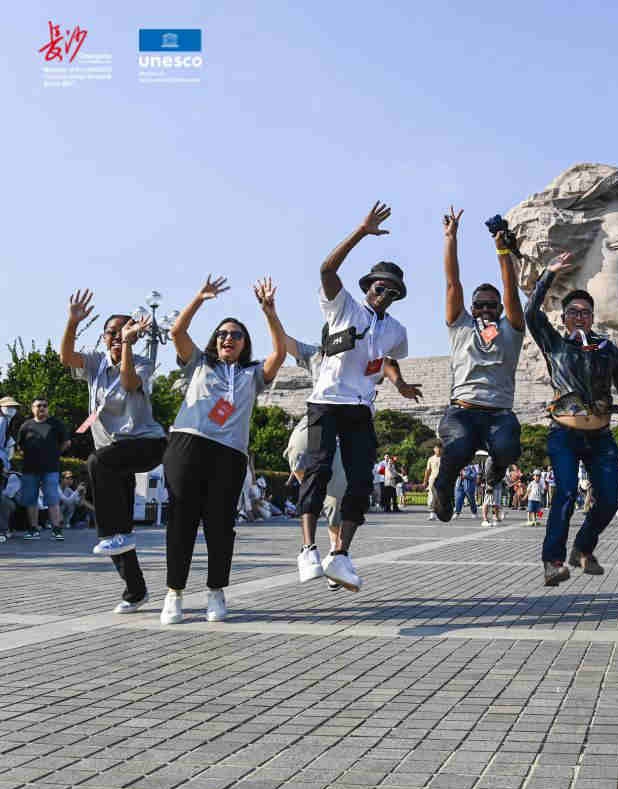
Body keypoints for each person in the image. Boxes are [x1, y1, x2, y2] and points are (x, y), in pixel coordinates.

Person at [159, 276, 287, 624]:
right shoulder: (200, 363)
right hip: (188, 444)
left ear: (245, 343)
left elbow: (280, 353)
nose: (228, 338)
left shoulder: (252, 374)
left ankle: (216, 591)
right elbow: (176, 333)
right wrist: (199, 298)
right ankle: (174, 593)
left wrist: (270, 313)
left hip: (229, 453)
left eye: (236, 335)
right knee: (182, 521)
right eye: (222, 334)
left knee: (219, 525)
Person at [297, 202, 409, 591]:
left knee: (360, 483)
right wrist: (361, 232)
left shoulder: (395, 328)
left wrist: (399, 383)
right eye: (381, 287)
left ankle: (340, 555)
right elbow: (327, 270)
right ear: (368, 287)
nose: (386, 294)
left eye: (393, 292)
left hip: (361, 409)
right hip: (327, 401)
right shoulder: (344, 306)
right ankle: (308, 549)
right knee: (318, 470)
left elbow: (386, 360)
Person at [525, 251, 618, 586]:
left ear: (593, 318)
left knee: (608, 497)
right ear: (564, 318)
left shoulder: (606, 349)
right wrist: (547, 275)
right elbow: (531, 313)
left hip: (601, 435)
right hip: (564, 432)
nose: (580, 317)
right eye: (573, 312)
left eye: (586, 313)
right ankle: (552, 561)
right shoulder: (554, 345)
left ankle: (583, 547)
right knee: (564, 493)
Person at [60, 291, 168, 612]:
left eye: (124, 331)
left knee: (97, 463)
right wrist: (72, 321)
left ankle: (110, 533)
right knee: (119, 533)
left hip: (145, 445)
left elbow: (129, 381)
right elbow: (67, 357)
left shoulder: (144, 361)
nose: (117, 337)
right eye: (112, 333)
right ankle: (135, 589)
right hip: (112, 459)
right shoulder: (94, 362)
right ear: (104, 337)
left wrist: (130, 347)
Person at [429, 207, 526, 522]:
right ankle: (443, 486)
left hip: (499, 413)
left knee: (509, 447)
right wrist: (450, 239)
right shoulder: (460, 326)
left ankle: (495, 470)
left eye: (491, 305)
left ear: (499, 308)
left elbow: (511, 289)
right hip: (463, 411)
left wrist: (501, 250)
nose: (485, 309)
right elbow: (452, 283)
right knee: (458, 449)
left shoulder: (511, 330)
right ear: (471, 308)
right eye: (479, 304)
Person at [16, 398, 71, 541]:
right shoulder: (26, 425)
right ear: (32, 408)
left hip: (50, 469)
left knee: (53, 499)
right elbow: (19, 447)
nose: (42, 408)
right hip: (29, 469)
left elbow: (66, 443)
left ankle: (57, 530)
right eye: (38, 405)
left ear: (48, 408)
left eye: (45, 406)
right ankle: (33, 530)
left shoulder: (56, 424)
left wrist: (54, 454)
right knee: (31, 500)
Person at [422, 444, 443, 520]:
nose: (438, 450)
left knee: (440, 497)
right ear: (434, 449)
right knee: (432, 497)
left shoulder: (444, 458)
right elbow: (427, 471)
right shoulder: (431, 459)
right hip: (432, 480)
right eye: (437, 448)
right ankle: (432, 514)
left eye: (440, 448)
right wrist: (425, 481)